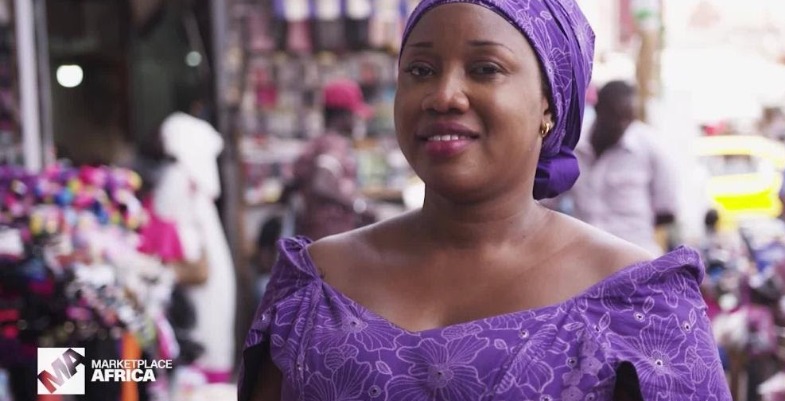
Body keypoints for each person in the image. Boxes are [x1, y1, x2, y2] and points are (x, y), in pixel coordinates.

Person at [241, 2, 731, 400]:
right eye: (420, 69)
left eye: (485, 69)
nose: (444, 95)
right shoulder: (315, 284)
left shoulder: (640, 305)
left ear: (549, 102)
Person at [148, 98, 237, 384]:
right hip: (210, 276)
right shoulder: (197, 185)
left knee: (196, 344)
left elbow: (162, 220)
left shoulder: (178, 178)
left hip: (194, 280)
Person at [566, 80, 679, 255]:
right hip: (586, 255)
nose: (622, 125)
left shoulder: (650, 146)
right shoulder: (574, 145)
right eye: (615, 116)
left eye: (628, 118)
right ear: (598, 109)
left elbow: (667, 211)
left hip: (635, 256)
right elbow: (548, 201)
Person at [290, 79, 374, 240]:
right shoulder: (334, 144)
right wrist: (358, 207)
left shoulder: (317, 143)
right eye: (354, 115)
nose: (357, 120)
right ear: (343, 115)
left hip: (313, 236)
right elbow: (320, 184)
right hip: (330, 236)